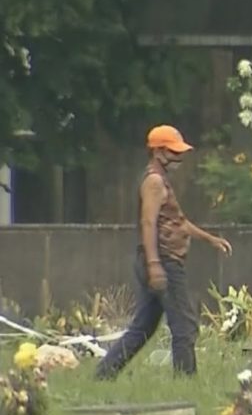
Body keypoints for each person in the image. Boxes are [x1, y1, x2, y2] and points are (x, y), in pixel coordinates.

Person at [95, 125, 232, 380]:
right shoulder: (154, 182)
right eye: (173, 152)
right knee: (184, 324)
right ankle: (185, 380)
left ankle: (104, 373)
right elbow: (148, 223)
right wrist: (154, 264)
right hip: (164, 261)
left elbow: (178, 222)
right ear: (158, 151)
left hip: (160, 260)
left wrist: (210, 239)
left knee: (144, 326)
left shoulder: (161, 180)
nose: (179, 158)